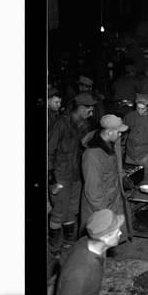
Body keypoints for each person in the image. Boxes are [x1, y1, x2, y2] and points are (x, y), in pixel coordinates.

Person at [48, 93, 96, 257]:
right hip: (60, 175)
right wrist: (51, 178)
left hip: (76, 175)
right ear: (81, 108)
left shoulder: (85, 125)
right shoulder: (61, 123)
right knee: (59, 211)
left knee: (71, 210)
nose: (91, 112)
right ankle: (54, 248)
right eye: (89, 109)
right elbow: (49, 150)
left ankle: (68, 245)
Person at [55, 209, 124, 295]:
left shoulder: (87, 242)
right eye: (117, 231)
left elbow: (63, 259)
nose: (120, 233)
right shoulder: (81, 272)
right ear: (105, 238)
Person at [80, 114, 130, 241]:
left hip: (111, 202)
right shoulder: (92, 155)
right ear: (109, 132)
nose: (120, 135)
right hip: (98, 209)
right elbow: (93, 191)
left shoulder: (109, 144)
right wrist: (106, 216)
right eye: (118, 132)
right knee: (97, 244)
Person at [123, 93, 148, 179]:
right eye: (138, 108)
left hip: (145, 156)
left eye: (143, 109)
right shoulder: (129, 116)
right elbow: (123, 135)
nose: (140, 111)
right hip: (130, 156)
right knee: (129, 182)